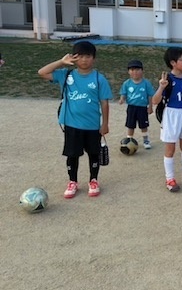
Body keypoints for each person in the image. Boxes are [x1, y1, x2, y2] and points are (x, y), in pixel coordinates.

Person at [38, 41, 112, 199]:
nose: (84, 60)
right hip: (72, 124)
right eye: (80, 56)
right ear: (74, 57)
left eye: (88, 56)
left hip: (92, 125)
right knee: (72, 155)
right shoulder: (66, 75)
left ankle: (93, 180)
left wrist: (105, 124)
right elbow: (42, 72)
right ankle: (72, 181)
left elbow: (104, 103)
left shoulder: (99, 78)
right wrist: (61, 61)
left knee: (94, 154)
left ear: (94, 59)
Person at [152, 47, 182, 192]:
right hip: (171, 116)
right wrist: (161, 88)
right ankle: (170, 178)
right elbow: (154, 101)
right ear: (173, 63)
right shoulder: (167, 80)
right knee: (170, 148)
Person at [118, 59, 155, 149]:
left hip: (142, 107)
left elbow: (150, 96)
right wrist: (122, 99)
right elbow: (124, 93)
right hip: (131, 107)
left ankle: (146, 140)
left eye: (137, 70)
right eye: (132, 70)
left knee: (143, 125)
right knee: (130, 125)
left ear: (142, 71)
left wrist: (150, 107)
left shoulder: (146, 83)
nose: (135, 72)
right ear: (129, 71)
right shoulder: (127, 83)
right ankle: (129, 140)